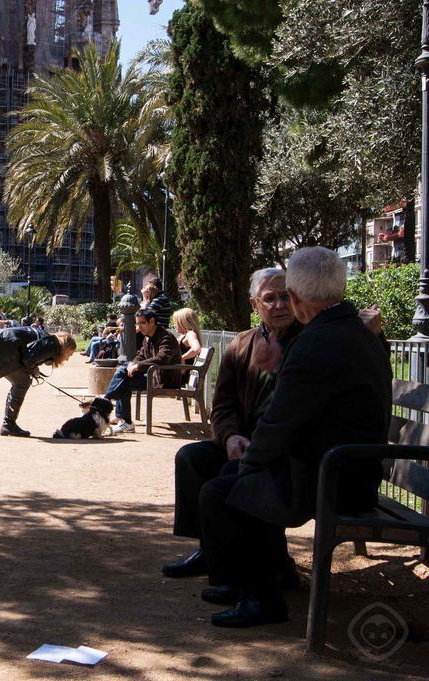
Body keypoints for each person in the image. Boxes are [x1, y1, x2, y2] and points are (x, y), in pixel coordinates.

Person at [199, 247, 391, 627]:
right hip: (351, 468)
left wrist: (250, 462)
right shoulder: (356, 332)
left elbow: (281, 422)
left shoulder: (316, 343)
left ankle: (261, 599)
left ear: (298, 299)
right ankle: (253, 580)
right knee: (239, 480)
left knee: (226, 490)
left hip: (336, 478)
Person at [161, 269, 302, 582]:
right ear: (255, 305)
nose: (279, 305)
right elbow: (223, 404)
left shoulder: (307, 342)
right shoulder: (242, 345)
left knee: (235, 476)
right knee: (191, 458)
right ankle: (208, 549)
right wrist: (229, 437)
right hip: (244, 440)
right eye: (270, 298)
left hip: (283, 448)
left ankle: (269, 562)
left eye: (285, 297)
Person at [0, 326, 78, 436]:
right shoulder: (53, 345)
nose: (67, 358)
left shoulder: (49, 340)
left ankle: (8, 424)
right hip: (1, 346)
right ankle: (8, 425)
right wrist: (34, 370)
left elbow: (29, 355)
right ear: (66, 347)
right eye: (69, 354)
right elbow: (28, 359)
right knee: (22, 383)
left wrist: (33, 370)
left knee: (21, 382)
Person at [103, 308, 182, 433]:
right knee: (123, 371)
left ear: (152, 321)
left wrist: (138, 366)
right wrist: (133, 364)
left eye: (142, 323)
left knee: (124, 382)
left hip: (164, 380)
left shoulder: (166, 337)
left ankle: (108, 405)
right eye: (137, 323)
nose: (139, 327)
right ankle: (119, 415)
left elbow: (162, 358)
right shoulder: (148, 337)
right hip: (153, 375)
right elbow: (141, 355)